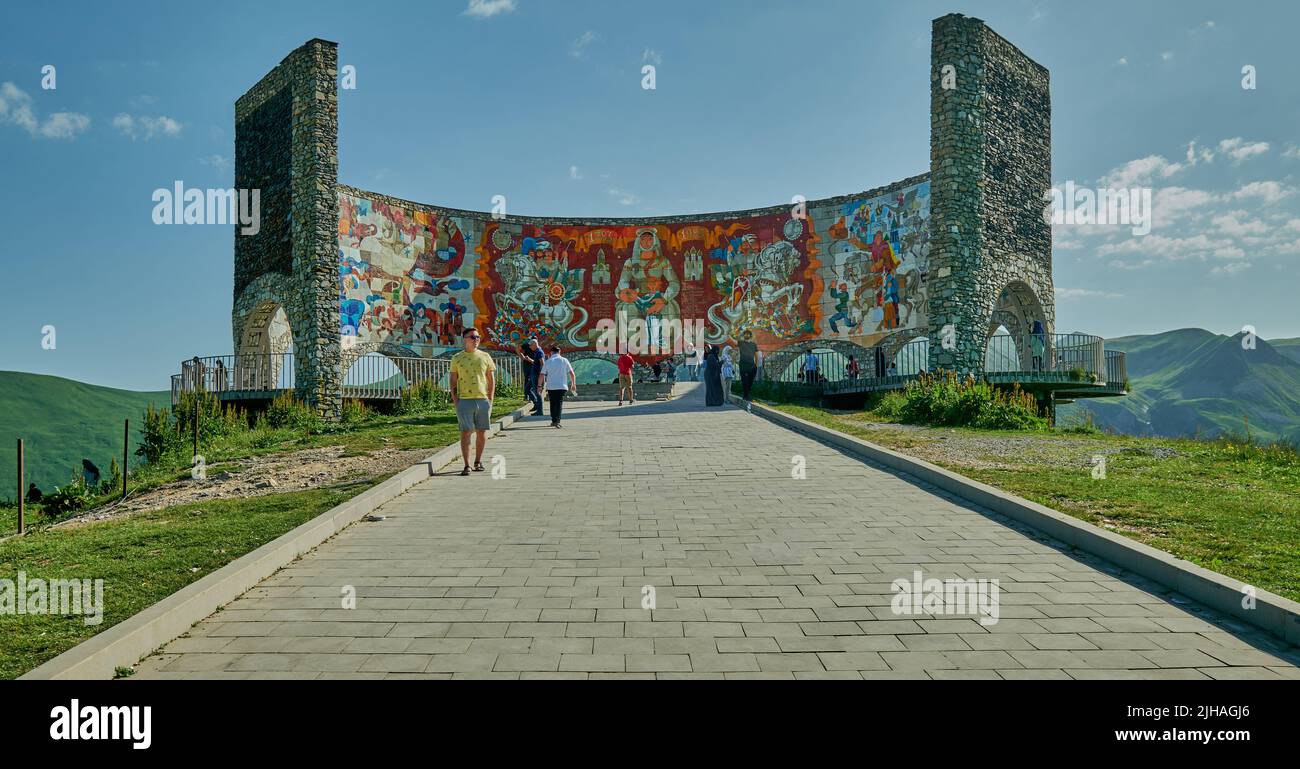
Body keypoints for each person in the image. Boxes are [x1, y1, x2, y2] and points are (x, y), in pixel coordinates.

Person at [449, 328, 497, 476]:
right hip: (464, 400)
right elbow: (453, 380)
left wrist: (490, 398)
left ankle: (478, 461)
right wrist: (455, 399)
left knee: (482, 431)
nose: (476, 339)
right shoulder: (457, 358)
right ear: (465, 339)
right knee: (465, 432)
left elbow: (491, 379)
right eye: (473, 337)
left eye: (478, 337)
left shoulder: (485, 356)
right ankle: (467, 465)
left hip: (482, 400)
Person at [539, 344, 576, 428]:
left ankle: (553, 420)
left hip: (551, 387)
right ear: (559, 352)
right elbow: (572, 373)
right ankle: (557, 421)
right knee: (559, 403)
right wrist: (573, 384)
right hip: (562, 386)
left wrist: (539, 386)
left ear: (551, 352)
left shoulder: (548, 361)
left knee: (552, 403)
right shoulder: (564, 360)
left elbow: (542, 374)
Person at [517, 338, 545, 415]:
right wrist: (529, 359)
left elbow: (542, 364)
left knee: (537, 392)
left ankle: (540, 411)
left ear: (535, 344)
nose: (529, 347)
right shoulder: (536, 351)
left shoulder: (539, 352)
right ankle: (536, 404)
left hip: (537, 375)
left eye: (531, 345)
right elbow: (536, 363)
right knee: (527, 389)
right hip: (533, 374)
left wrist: (541, 376)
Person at [738, 330, 759, 400]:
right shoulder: (741, 343)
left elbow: (756, 355)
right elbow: (734, 341)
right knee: (744, 381)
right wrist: (728, 335)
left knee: (750, 381)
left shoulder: (754, 344)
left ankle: (746, 394)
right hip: (743, 365)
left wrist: (756, 365)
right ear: (744, 335)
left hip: (752, 366)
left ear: (750, 335)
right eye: (745, 334)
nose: (747, 335)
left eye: (748, 334)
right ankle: (746, 396)